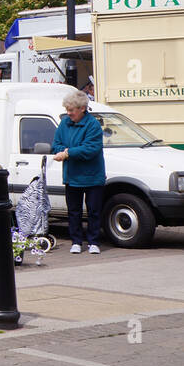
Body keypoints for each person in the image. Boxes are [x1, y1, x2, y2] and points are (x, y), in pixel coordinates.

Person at [53, 88, 106, 254]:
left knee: (93, 211)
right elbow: (56, 144)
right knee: (73, 211)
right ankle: (76, 241)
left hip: (93, 176)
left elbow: (91, 149)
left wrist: (68, 153)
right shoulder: (64, 123)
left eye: (71, 110)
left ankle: (93, 242)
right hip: (72, 176)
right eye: (67, 110)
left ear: (82, 109)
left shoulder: (93, 125)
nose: (68, 113)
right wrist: (66, 151)